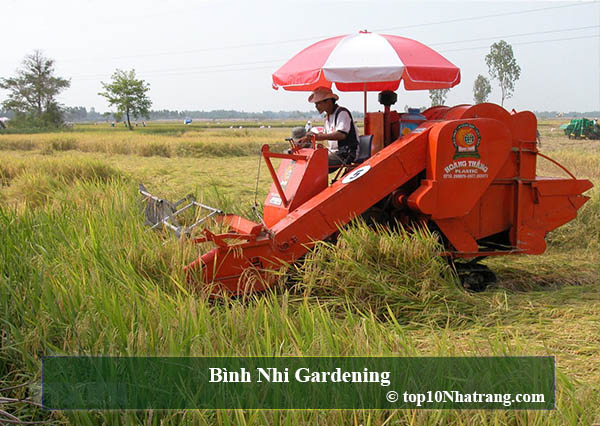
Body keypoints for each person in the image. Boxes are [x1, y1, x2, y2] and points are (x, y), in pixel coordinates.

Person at [300, 87, 360, 169]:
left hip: (346, 153)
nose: (316, 106)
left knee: (316, 162)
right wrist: (309, 138)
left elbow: (341, 135)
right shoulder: (327, 117)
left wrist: (318, 137)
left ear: (328, 101)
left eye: (318, 103)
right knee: (310, 159)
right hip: (335, 152)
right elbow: (325, 135)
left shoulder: (342, 113)